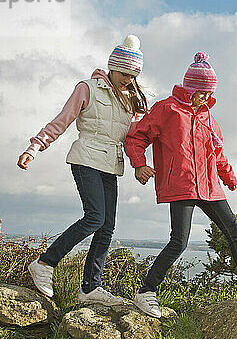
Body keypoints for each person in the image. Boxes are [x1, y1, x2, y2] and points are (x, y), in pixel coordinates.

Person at [124, 52, 237, 319]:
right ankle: (146, 292)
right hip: (181, 183)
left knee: (235, 234)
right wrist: (139, 164)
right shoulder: (167, 109)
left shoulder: (209, 118)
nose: (205, 97)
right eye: (202, 92)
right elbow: (136, 137)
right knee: (179, 242)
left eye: (209, 93)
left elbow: (217, 154)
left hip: (210, 186)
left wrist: (228, 177)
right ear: (191, 88)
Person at [17, 35, 147, 306]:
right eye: (124, 72)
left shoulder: (132, 101)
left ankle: (89, 288)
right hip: (86, 157)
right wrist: (34, 147)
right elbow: (61, 121)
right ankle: (45, 263)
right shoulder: (87, 88)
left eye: (132, 74)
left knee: (107, 227)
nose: (127, 78)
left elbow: (136, 136)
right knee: (95, 218)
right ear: (112, 66)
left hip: (111, 163)